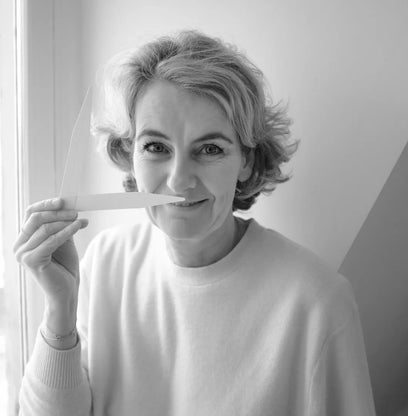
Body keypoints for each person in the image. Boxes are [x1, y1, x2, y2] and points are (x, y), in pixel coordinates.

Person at [14, 30, 376, 415]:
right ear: (130, 156)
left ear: (246, 161)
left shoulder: (317, 302)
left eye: (210, 149)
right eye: (156, 147)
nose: (179, 180)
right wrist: (60, 310)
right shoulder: (105, 262)